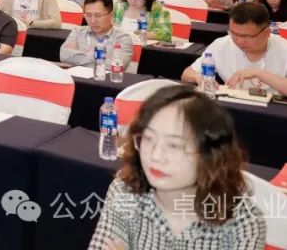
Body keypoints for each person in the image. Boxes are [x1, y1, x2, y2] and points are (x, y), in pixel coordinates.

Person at [87, 85, 265, 249]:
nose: (155, 156)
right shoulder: (125, 191)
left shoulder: (242, 220)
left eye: (174, 146)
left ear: (210, 155)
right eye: (148, 139)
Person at [183, 1, 287, 102]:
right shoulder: (221, 44)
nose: (239, 41)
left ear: (266, 33)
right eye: (234, 33)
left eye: (246, 36)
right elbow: (187, 73)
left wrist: (258, 73)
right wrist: (198, 78)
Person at [59, 0, 135, 68]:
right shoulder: (78, 31)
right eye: (88, 15)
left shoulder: (123, 38)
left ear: (111, 15)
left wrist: (78, 56)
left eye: (98, 16)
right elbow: (63, 56)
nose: (93, 21)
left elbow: (117, 66)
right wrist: (96, 56)